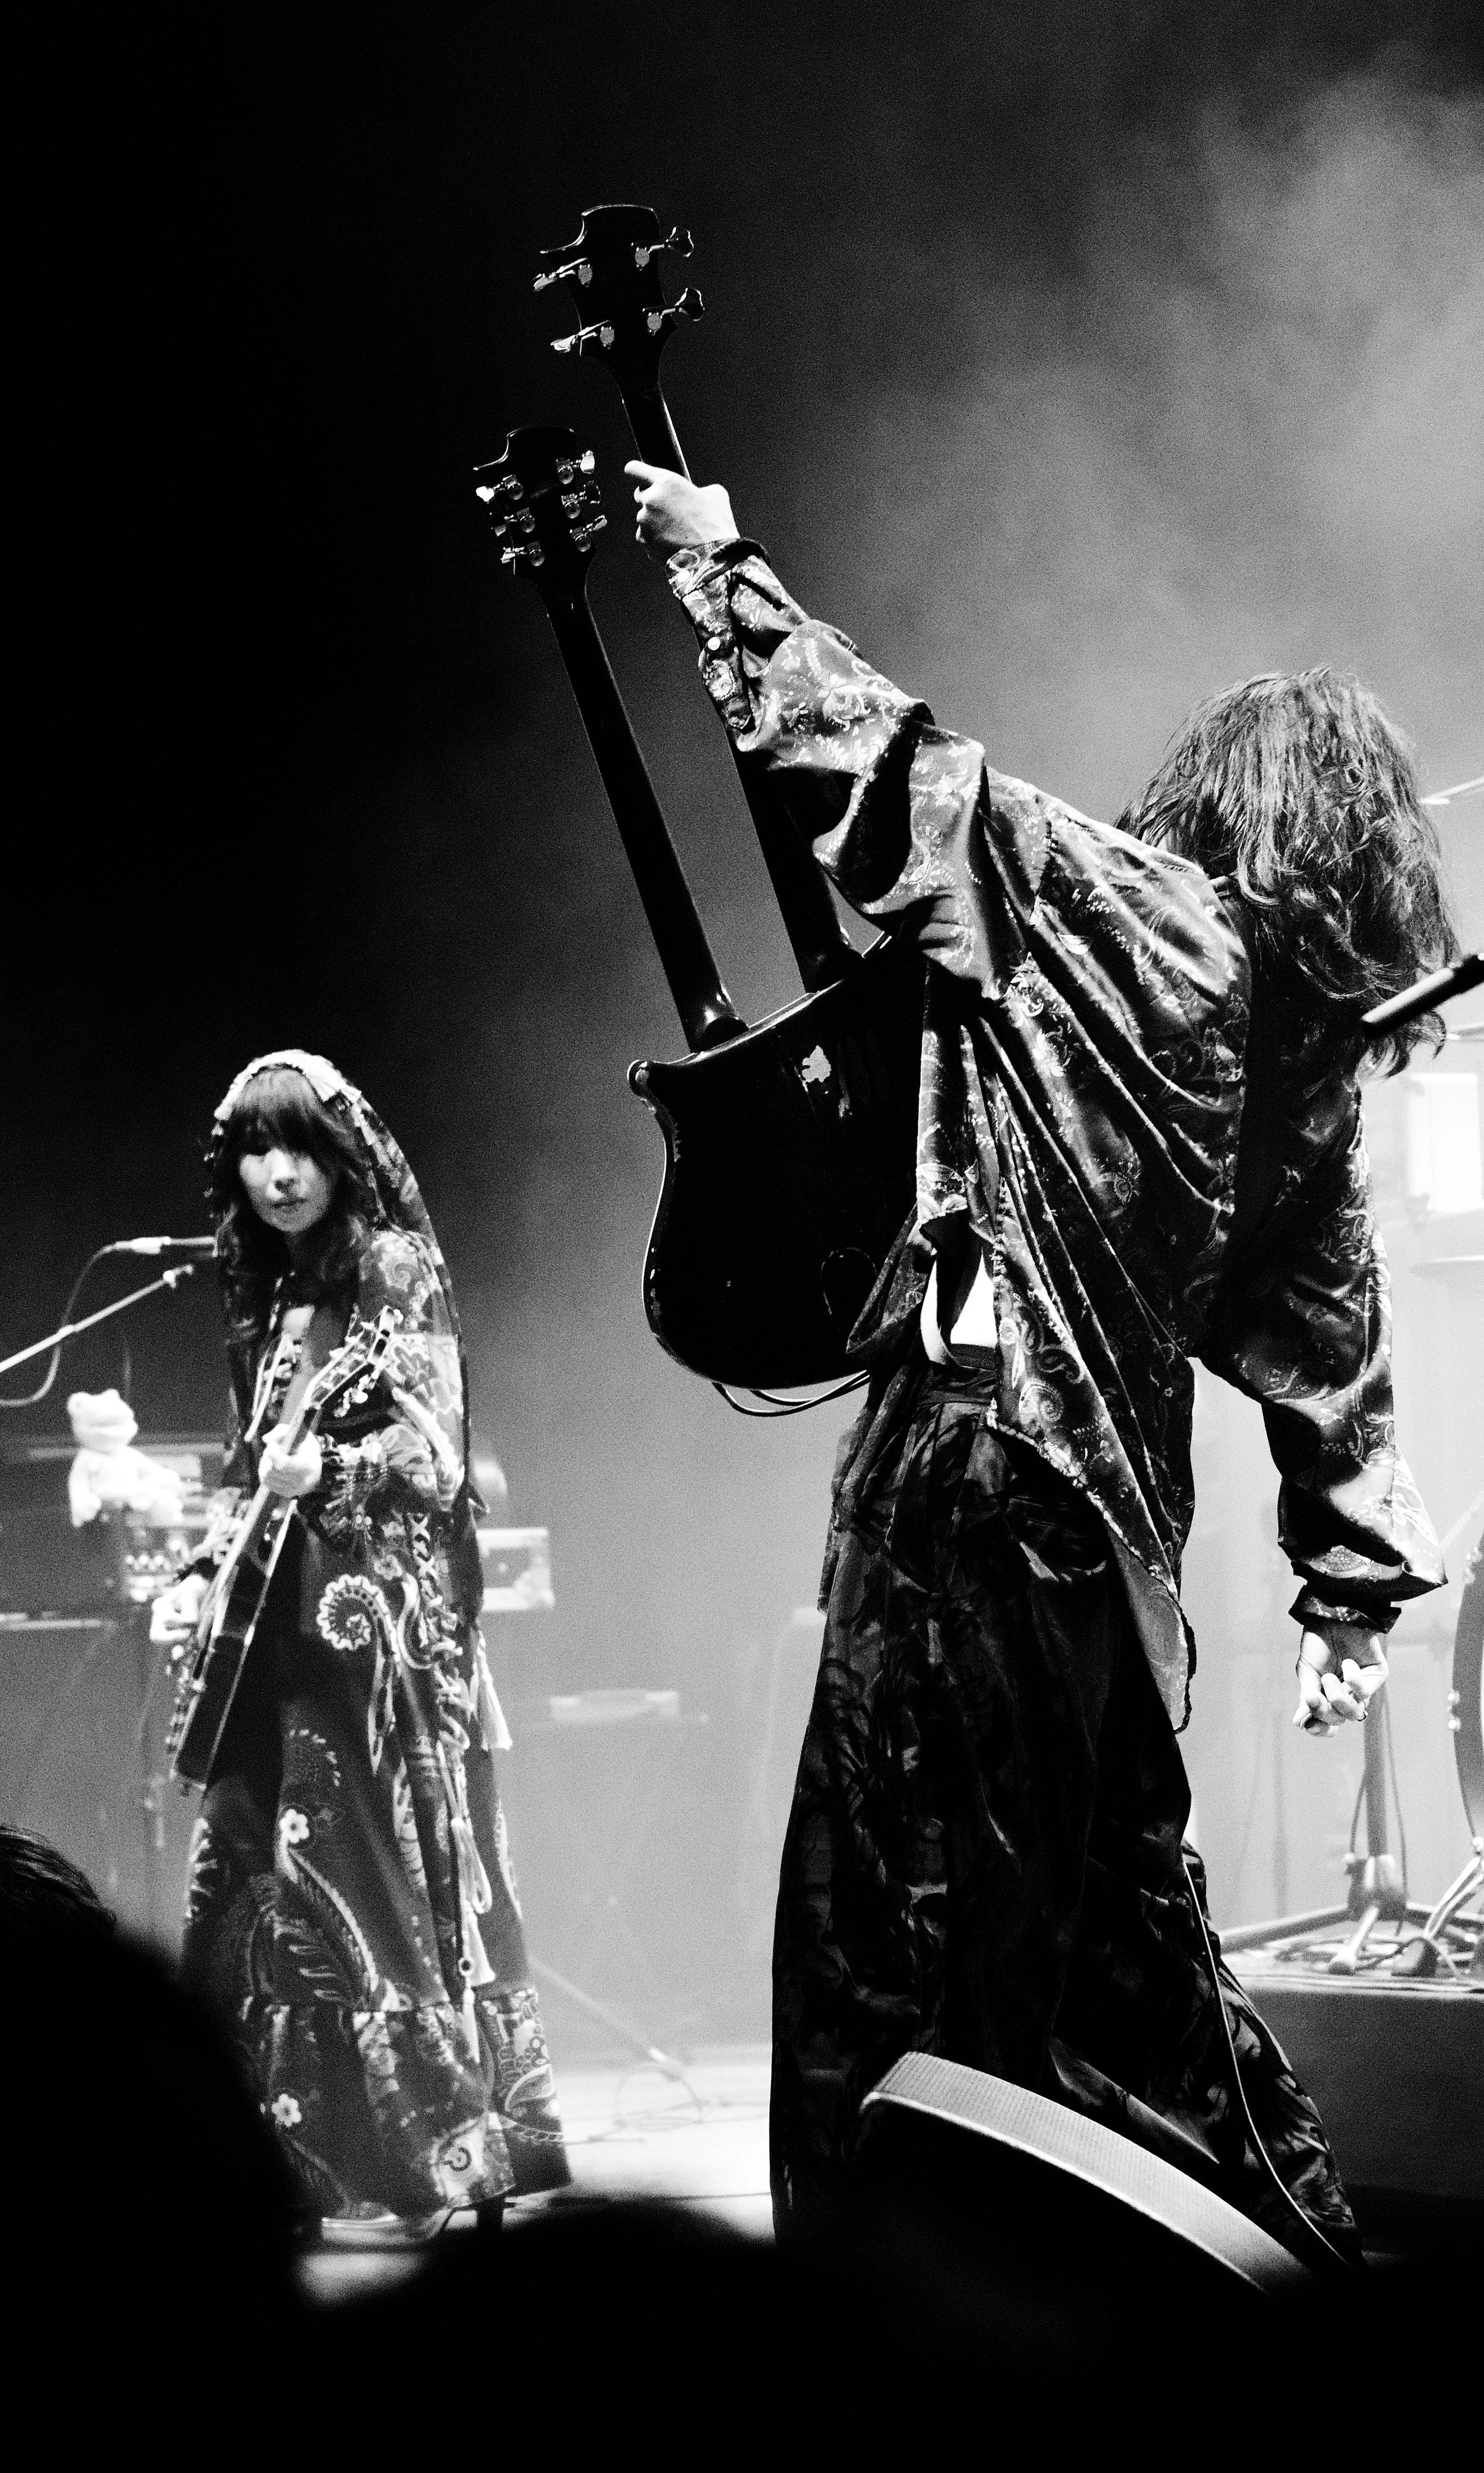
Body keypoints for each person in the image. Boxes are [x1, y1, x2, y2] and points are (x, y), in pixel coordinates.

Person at [627, 460, 1455, 2258]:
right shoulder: (1299, 1055)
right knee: (1115, 1927)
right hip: (1112, 1538)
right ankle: (1264, 2266)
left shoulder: (1129, 907)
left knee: (896, 1939)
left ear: (1213, 797)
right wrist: (1349, 1585)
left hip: (966, 1484)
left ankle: (894, 2320)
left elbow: (885, 764)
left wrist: (719, 570)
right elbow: (1328, 1325)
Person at [151, 1050, 567, 2234]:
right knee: (237, 1876)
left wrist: (332, 1464)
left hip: (366, 1642)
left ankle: (426, 2162)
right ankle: (250, 2164)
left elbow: (438, 1457)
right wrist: (206, 1558)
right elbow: (254, 1473)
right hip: (270, 1638)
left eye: (297, 1148)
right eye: (253, 1150)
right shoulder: (267, 1290)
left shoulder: (392, 1268)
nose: (275, 1174)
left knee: (357, 1883)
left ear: (343, 1158)